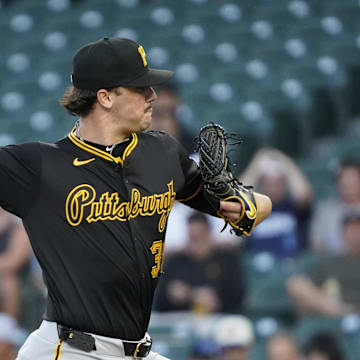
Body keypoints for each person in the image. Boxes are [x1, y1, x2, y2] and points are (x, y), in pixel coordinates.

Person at [0, 37, 271, 360]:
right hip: (70, 350)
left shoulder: (163, 153)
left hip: (136, 351)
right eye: (140, 88)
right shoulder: (41, 166)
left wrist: (245, 205)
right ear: (105, 97)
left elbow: (254, 206)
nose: (152, 95)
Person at [153, 212, 245, 313]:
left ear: (209, 233)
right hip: (181, 320)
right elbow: (159, 302)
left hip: (220, 319)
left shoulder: (226, 260)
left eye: (200, 236)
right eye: (192, 238)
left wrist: (219, 300)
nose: (196, 243)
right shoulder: (176, 262)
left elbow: (239, 296)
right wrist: (172, 295)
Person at [286, 208, 360, 317]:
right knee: (296, 284)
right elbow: (304, 286)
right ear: (343, 233)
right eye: (350, 230)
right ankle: (343, 313)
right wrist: (324, 299)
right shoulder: (332, 261)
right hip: (334, 310)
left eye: (357, 230)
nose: (354, 235)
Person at [241, 148, 312, 259]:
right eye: (269, 183)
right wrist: (256, 165)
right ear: (262, 184)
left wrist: (286, 162)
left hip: (291, 264)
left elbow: (304, 195)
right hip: (259, 267)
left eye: (278, 183)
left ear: (285, 184)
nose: (274, 187)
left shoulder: (293, 207)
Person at [310, 159, 360, 254]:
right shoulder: (325, 211)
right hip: (336, 265)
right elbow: (316, 246)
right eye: (343, 179)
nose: (348, 184)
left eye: (353, 178)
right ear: (337, 183)